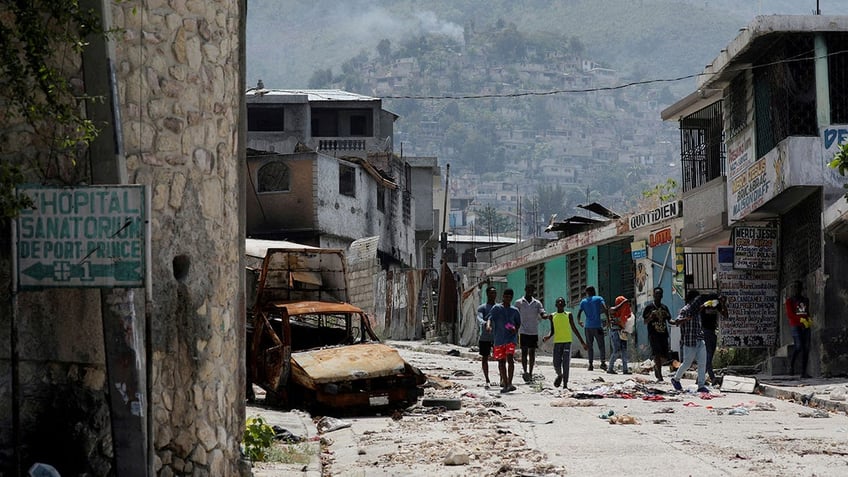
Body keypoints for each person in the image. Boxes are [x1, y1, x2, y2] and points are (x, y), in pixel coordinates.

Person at [670, 289, 709, 393]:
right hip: (689, 341)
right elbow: (677, 322)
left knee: (702, 363)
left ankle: (701, 385)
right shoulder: (685, 310)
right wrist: (687, 319)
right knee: (687, 363)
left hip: (699, 339)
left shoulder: (697, 310)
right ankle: (676, 379)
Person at [486, 288, 521, 393]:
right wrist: (488, 326)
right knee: (501, 362)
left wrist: (515, 330)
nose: (508, 299)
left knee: (510, 359)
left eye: (510, 297)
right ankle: (505, 383)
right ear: (503, 297)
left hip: (510, 339)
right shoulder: (497, 308)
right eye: (506, 297)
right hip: (499, 339)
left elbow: (518, 323)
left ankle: (510, 383)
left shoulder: (515, 310)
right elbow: (490, 318)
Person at [514, 284, 547, 383]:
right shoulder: (519, 302)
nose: (530, 291)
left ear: (534, 291)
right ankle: (525, 372)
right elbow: (515, 315)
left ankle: (531, 373)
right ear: (525, 290)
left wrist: (545, 316)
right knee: (524, 352)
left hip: (533, 331)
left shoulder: (537, 303)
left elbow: (542, 312)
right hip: (523, 331)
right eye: (528, 289)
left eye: (532, 290)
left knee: (532, 353)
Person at [542, 297, 574, 389]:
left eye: (562, 301)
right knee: (556, 363)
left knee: (566, 363)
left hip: (567, 342)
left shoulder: (568, 315)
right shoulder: (552, 316)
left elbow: (574, 328)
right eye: (558, 301)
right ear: (556, 305)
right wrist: (548, 337)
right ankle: (560, 375)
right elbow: (552, 331)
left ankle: (565, 384)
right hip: (557, 342)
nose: (560, 302)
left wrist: (582, 342)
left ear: (564, 304)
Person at [642, 287, 672, 382]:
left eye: (660, 294)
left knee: (665, 356)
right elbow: (645, 321)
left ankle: (656, 366)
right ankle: (660, 375)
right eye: (657, 294)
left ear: (662, 295)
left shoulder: (664, 307)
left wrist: (677, 322)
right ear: (654, 295)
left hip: (663, 334)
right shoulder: (649, 308)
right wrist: (651, 317)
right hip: (654, 334)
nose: (658, 295)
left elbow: (669, 319)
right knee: (657, 354)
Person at [576, 286, 608, 371]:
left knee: (590, 346)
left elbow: (579, 313)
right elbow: (605, 308)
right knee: (601, 345)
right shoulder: (599, 298)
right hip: (597, 326)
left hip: (587, 327)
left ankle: (590, 364)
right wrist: (608, 320)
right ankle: (603, 363)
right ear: (594, 291)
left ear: (587, 293)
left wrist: (579, 321)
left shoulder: (583, 301)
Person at [699, 293, 727, 384]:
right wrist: (705, 305)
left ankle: (700, 378)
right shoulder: (704, 305)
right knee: (708, 354)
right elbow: (697, 310)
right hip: (705, 331)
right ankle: (712, 377)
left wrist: (723, 304)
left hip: (713, 331)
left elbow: (725, 314)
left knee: (710, 356)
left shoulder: (716, 305)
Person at [785, 280, 811, 378]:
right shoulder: (789, 301)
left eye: (798, 287)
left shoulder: (805, 300)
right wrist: (801, 320)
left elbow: (807, 312)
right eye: (794, 288)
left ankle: (803, 372)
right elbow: (790, 315)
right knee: (799, 346)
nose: (796, 289)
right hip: (795, 325)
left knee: (806, 348)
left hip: (805, 325)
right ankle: (791, 366)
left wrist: (808, 320)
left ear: (801, 289)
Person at [476, 286, 498, 388]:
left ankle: (502, 378)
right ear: (487, 294)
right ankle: (487, 379)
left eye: (494, 293)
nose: (493, 295)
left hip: (497, 337)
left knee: (501, 358)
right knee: (485, 358)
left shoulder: (499, 307)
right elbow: (479, 318)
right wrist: (485, 324)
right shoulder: (482, 307)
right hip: (485, 337)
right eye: (491, 293)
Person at [607, 296, 632, 374]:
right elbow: (615, 310)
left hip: (622, 332)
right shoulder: (612, 309)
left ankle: (625, 369)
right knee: (617, 350)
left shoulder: (624, 311)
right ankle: (610, 368)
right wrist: (624, 302)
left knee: (624, 350)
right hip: (615, 332)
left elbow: (626, 319)